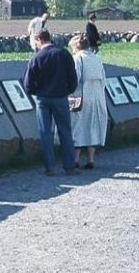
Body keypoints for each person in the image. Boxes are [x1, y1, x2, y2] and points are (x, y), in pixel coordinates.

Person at [23, 29, 79, 176]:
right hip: (61, 97)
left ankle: (50, 167)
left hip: (43, 99)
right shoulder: (64, 54)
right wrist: (68, 90)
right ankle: (69, 166)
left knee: (45, 132)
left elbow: (28, 83)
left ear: (39, 40)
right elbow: (73, 78)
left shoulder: (36, 57)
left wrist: (36, 92)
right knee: (65, 131)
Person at [69, 35, 108, 169]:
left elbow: (75, 78)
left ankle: (76, 159)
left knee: (78, 126)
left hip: (81, 96)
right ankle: (91, 159)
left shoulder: (77, 58)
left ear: (75, 46)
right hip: (97, 96)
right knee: (93, 126)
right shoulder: (97, 58)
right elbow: (103, 79)